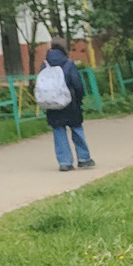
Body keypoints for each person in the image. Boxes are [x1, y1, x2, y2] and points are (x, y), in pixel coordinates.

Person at [35, 40, 94, 172]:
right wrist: (79, 99)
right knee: (77, 129)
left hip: (52, 105)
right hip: (70, 103)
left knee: (59, 132)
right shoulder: (68, 64)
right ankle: (83, 158)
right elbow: (77, 84)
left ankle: (65, 162)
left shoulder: (45, 65)